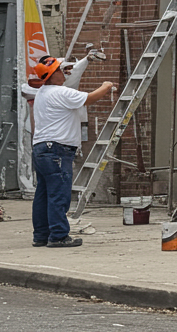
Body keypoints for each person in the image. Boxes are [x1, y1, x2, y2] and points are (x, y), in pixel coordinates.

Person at [28, 57, 114, 248]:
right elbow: (89, 98)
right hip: (57, 150)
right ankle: (58, 236)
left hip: (42, 149)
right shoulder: (61, 92)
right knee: (59, 194)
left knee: (43, 194)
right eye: (61, 70)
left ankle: (41, 235)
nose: (65, 72)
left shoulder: (43, 92)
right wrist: (106, 86)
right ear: (53, 74)